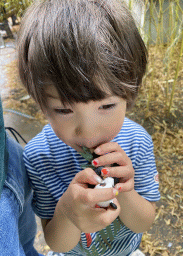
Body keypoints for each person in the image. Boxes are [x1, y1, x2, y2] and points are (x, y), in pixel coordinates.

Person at [17, 0, 160, 255]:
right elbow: (57, 243)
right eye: (64, 110)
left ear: (129, 95)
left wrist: (125, 190)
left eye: (106, 106)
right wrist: (67, 212)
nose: (89, 133)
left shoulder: (137, 141)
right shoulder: (39, 156)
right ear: (42, 107)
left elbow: (144, 222)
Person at [0, 98, 44, 256]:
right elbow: (56, 240)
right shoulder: (40, 152)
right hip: (8, 161)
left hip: (8, 159)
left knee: (26, 247)